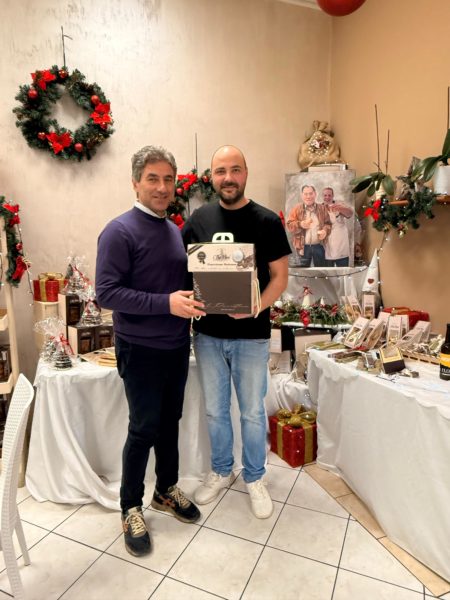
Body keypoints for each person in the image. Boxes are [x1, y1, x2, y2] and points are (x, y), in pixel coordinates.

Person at [95, 145, 206, 557]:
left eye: (168, 179)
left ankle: (165, 490)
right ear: (135, 183)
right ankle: (130, 506)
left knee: (169, 422)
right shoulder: (118, 231)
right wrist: (166, 303)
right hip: (139, 348)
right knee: (143, 428)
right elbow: (107, 293)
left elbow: (177, 286)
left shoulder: (174, 230)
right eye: (153, 179)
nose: (162, 187)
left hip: (176, 346)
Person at [182, 145, 291, 519]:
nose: (228, 178)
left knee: (252, 413)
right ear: (211, 177)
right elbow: (184, 272)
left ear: (246, 173)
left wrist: (255, 306)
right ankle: (221, 469)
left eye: (235, 170)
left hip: (252, 336)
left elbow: (280, 278)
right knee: (215, 411)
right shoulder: (197, 221)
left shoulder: (267, 221)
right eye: (220, 171)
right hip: (207, 336)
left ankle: (255, 477)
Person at [286, 184, 331, 267]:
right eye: (306, 194)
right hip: (302, 248)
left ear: (315, 194)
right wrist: (300, 224)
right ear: (302, 195)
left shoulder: (322, 208)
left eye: (311, 193)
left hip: (319, 246)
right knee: (302, 271)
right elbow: (289, 225)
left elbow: (328, 224)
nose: (308, 196)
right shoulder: (296, 209)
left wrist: (325, 231)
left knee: (321, 271)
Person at [321, 186, 353, 267]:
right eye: (325, 195)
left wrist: (339, 208)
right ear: (322, 196)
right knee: (329, 273)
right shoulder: (319, 208)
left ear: (333, 196)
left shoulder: (340, 205)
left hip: (341, 246)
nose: (327, 197)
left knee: (343, 272)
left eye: (329, 195)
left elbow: (350, 214)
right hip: (327, 248)